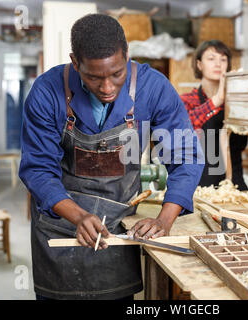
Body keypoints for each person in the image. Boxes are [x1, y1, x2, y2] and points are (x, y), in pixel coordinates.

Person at [19, 14, 203, 300]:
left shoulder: (153, 88)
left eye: (117, 74)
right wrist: (78, 216)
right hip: (61, 225)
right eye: (93, 77)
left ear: (127, 56)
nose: (107, 88)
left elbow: (186, 156)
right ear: (75, 61)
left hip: (117, 229)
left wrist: (165, 218)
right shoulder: (47, 91)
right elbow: (38, 170)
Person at [181, 40, 248, 190]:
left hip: (233, 185)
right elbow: (184, 129)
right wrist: (217, 100)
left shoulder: (236, 103)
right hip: (198, 186)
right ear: (199, 64)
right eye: (211, 59)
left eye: (223, 59)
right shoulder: (187, 101)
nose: (218, 64)